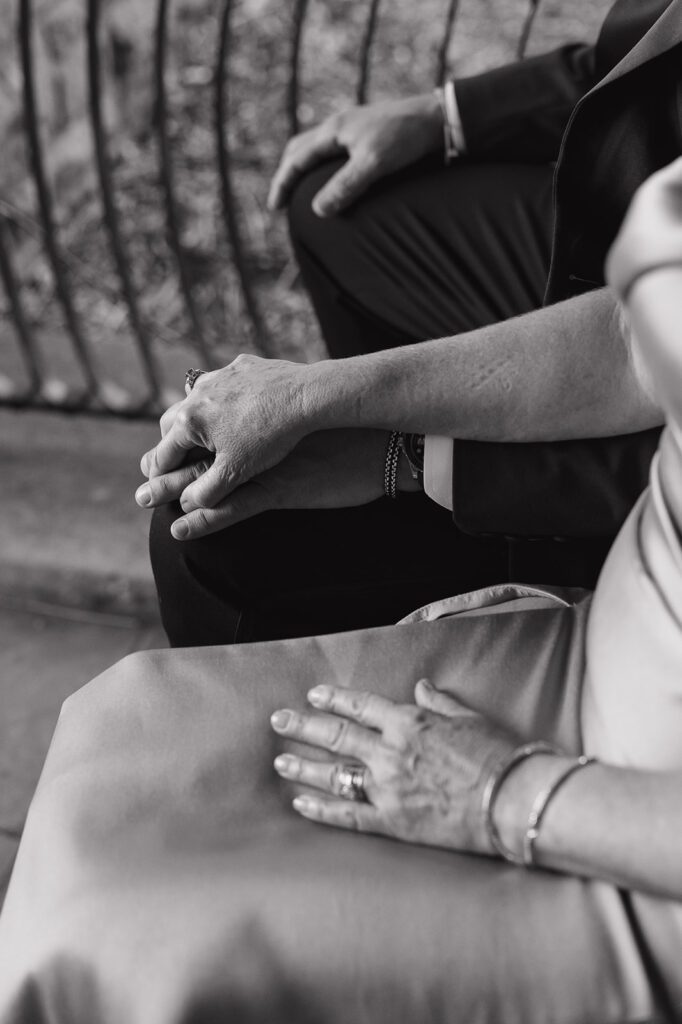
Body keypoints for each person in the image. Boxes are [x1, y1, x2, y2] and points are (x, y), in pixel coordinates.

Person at [1, 162, 681, 1022]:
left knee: (123, 934)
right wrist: (337, 408)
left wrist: (503, 795)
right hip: (615, 641)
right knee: (129, 750)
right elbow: (633, 339)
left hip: (636, 852)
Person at [140, 0, 680, 648]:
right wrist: (446, 116)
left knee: (209, 533)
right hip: (645, 261)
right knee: (335, 205)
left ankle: (537, 564)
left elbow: (633, 350)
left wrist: (400, 450)